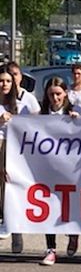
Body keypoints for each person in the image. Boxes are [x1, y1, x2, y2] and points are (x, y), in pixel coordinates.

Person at [39, 77, 80, 266]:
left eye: (58, 94)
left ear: (65, 94)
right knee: (49, 207)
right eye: (51, 94)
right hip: (48, 168)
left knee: (70, 205)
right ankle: (51, 248)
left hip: (70, 169)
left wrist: (78, 121)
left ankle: (73, 235)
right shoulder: (39, 115)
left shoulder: (74, 113)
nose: (55, 98)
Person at [5, 62, 41, 252]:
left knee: (16, 188)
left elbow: (38, 123)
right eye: (8, 76)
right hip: (3, 146)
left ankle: (16, 233)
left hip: (21, 149)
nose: (12, 79)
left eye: (15, 75)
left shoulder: (28, 99)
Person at [0, 65, 18, 241]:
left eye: (7, 81)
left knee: (8, 182)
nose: (4, 84)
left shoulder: (20, 101)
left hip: (13, 146)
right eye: (1, 80)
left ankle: (8, 221)